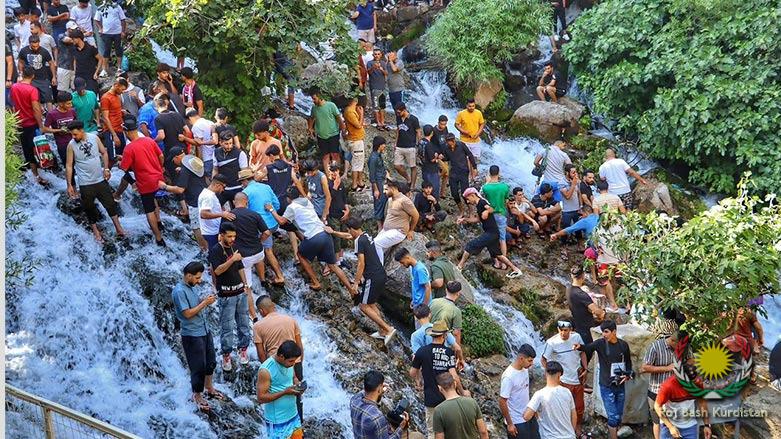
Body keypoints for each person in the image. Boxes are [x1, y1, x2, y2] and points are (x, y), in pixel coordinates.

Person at [266, 186, 354, 293]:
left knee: (300, 255)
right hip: (325, 233)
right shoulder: (307, 201)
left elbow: (281, 221)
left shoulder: (291, 207)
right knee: (333, 265)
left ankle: (316, 282)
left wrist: (271, 210)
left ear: (289, 198)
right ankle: (351, 289)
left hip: (313, 237)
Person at [328, 217, 397, 345]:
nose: (348, 232)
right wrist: (333, 232)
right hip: (380, 274)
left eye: (348, 230)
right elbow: (349, 236)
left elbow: (361, 263)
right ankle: (382, 331)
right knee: (371, 304)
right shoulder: (366, 235)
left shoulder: (359, 241)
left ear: (352, 229)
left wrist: (355, 283)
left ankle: (388, 329)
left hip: (372, 277)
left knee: (363, 306)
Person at [172, 261, 224, 412]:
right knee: (198, 366)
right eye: (197, 278)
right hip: (191, 334)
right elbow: (187, 314)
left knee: (211, 362)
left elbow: (195, 305)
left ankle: (209, 388)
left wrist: (204, 300)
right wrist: (205, 303)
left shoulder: (192, 286)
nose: (199, 280)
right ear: (188, 276)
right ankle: (197, 395)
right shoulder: (179, 291)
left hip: (204, 329)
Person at [65, 120, 126, 242]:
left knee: (110, 204)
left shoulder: (94, 138)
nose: (73, 137)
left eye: (75, 134)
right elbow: (69, 165)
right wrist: (69, 185)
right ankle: (96, 232)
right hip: (85, 183)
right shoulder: (71, 145)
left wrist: (106, 169)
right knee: (89, 208)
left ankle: (119, 228)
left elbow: (104, 152)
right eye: (72, 134)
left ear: (82, 130)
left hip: (100, 179)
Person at [208, 222, 257, 371]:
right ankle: (226, 355)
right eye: (229, 236)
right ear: (221, 235)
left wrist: (245, 285)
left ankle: (243, 350)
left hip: (240, 292)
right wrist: (232, 259)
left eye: (234, 236)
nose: (232, 239)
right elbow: (217, 271)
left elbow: (240, 267)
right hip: (226, 295)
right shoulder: (215, 250)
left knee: (244, 323)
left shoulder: (235, 248)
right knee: (227, 327)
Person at [409, 320, 468, 438]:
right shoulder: (448, 352)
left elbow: (412, 373)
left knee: (433, 432)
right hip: (447, 398)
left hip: (430, 399)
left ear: (432, 335)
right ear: (444, 335)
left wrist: (419, 380)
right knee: (450, 431)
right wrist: (462, 392)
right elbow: (454, 376)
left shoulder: (422, 351)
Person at [576, 320, 633, 439]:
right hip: (606, 386)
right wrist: (579, 347)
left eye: (606, 332)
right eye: (603, 332)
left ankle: (616, 433)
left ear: (614, 331)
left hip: (620, 384)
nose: (604, 334)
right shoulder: (600, 343)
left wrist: (628, 374)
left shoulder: (623, 345)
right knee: (613, 417)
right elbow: (587, 348)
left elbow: (628, 362)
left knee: (619, 415)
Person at [254, 296, 304, 422]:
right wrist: (297, 362)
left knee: (276, 396)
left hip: (275, 365)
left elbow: (261, 353)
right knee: (297, 395)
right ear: (274, 306)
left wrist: (267, 368)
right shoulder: (290, 320)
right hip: (295, 362)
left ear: (261, 311)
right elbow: (299, 345)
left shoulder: (258, 326)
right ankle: (298, 423)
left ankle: (282, 423)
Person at [456, 188, 523, 278]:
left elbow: (491, 208)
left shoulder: (482, 202)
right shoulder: (478, 205)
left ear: (472, 195)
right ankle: (516, 270)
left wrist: (487, 212)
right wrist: (464, 219)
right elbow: (477, 219)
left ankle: (459, 267)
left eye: (468, 199)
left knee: (470, 246)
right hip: (493, 233)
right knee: (498, 255)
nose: (468, 202)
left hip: (491, 233)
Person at [120, 116, 166, 246]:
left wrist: (121, 162)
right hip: (158, 178)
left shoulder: (129, 148)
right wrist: (160, 167)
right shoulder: (149, 140)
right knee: (154, 198)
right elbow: (161, 155)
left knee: (149, 210)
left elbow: (124, 169)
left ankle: (159, 238)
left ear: (126, 132)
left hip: (145, 183)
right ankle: (159, 222)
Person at [541, 321, 587, 437]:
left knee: (579, 406)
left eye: (565, 330)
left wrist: (586, 368)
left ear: (570, 330)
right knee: (564, 407)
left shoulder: (576, 337)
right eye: (560, 330)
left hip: (577, 377)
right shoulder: (552, 342)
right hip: (563, 380)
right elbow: (543, 359)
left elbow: (582, 353)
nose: (563, 333)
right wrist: (551, 376)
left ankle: (577, 427)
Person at [158, 151, 209, 250]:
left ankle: (204, 249)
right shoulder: (194, 164)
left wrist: (164, 186)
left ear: (177, 157)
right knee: (207, 224)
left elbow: (180, 189)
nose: (174, 163)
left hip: (195, 201)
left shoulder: (184, 170)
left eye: (173, 160)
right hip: (205, 196)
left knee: (197, 227)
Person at [257, 340, 304, 439]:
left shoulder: (289, 363)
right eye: (291, 361)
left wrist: (297, 384)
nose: (293, 363)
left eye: (294, 361)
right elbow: (261, 398)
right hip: (277, 421)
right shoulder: (266, 370)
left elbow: (293, 377)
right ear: (282, 356)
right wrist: (284, 392)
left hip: (293, 415)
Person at [641, 331, 684, 439]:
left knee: (673, 421)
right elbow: (644, 367)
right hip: (656, 391)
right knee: (657, 421)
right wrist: (667, 368)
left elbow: (689, 361)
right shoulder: (655, 346)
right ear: (673, 341)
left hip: (674, 393)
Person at [11, 67, 48, 185]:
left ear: (22, 74)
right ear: (33, 76)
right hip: (31, 123)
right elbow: (36, 109)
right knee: (37, 148)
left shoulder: (14, 87)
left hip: (20, 123)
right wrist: (41, 125)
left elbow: (13, 105)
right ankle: (39, 175)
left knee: (27, 149)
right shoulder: (32, 90)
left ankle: (34, 175)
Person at [522, 361, 577, 439]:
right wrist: (571, 433)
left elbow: (526, 416)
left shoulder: (539, 394)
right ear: (559, 375)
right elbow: (574, 415)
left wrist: (537, 413)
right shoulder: (567, 392)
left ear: (545, 374)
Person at [351, 370, 410, 439]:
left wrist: (379, 389)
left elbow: (364, 392)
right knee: (417, 436)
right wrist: (401, 427)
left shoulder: (354, 401)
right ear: (379, 389)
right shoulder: (377, 417)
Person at [231, 190, 272, 288]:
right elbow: (267, 232)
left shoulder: (229, 216)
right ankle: (263, 280)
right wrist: (260, 241)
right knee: (259, 260)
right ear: (247, 202)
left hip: (243, 256)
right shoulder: (255, 214)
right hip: (258, 252)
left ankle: (249, 295)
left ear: (234, 202)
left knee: (246, 285)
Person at [499, 344, 538, 439]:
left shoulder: (524, 369)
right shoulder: (508, 377)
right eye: (530, 361)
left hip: (528, 415)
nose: (532, 364)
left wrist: (532, 409)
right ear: (521, 359)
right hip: (516, 421)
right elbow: (502, 401)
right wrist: (510, 424)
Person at [433, 372, 489, 439]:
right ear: (455, 384)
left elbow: (439, 437)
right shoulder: (472, 402)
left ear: (439, 388)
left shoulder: (439, 410)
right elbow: (483, 431)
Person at [654, 374, 712, 439]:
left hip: (690, 426)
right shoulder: (668, 385)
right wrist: (670, 427)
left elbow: (702, 403)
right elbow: (657, 406)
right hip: (669, 426)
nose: (699, 381)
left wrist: (707, 425)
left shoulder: (698, 383)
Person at [567, 265, 606, 360]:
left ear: (571, 276)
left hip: (577, 326)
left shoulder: (568, 290)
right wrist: (602, 312)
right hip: (586, 329)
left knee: (580, 354)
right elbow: (597, 311)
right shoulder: (581, 294)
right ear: (583, 276)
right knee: (588, 354)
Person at [374, 180, 418, 261]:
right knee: (372, 247)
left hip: (398, 232)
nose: (384, 192)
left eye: (386, 189)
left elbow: (416, 215)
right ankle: (377, 265)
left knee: (376, 243)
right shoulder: (390, 200)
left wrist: (411, 230)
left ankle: (378, 267)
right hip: (387, 230)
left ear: (393, 188)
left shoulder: (404, 200)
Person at [308, 88, 345, 170]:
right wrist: (310, 128)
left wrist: (343, 129)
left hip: (333, 134)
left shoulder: (331, 105)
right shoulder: (314, 108)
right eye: (312, 99)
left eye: (314, 98)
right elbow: (311, 118)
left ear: (319, 96)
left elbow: (339, 118)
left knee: (335, 155)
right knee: (325, 156)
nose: (313, 101)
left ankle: (336, 172)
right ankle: (328, 175)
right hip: (321, 136)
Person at [441, 133, 477, 216]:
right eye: (447, 142)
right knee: (454, 193)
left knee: (465, 193)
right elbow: (447, 158)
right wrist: (442, 158)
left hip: (463, 171)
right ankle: (461, 210)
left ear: (453, 140)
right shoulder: (446, 148)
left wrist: (474, 167)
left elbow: (470, 155)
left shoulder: (461, 145)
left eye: (449, 141)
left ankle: (470, 210)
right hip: (453, 172)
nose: (448, 143)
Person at [17, 35, 56, 110]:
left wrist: (54, 77)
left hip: (43, 78)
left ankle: (50, 114)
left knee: (48, 99)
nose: (36, 48)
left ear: (39, 42)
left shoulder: (44, 51)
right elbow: (20, 62)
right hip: (30, 79)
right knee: (35, 99)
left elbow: (51, 63)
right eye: (33, 46)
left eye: (37, 46)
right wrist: (20, 74)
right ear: (29, 43)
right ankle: (40, 113)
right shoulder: (24, 51)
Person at [154, 93, 189, 173]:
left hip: (171, 151)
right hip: (183, 148)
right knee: (185, 170)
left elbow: (161, 136)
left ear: (157, 107)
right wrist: (184, 138)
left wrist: (154, 141)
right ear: (166, 105)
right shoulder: (177, 114)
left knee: (174, 173)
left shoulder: (158, 118)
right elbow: (187, 131)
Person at [482, 165, 512, 258]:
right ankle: (504, 260)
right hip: (501, 214)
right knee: (502, 238)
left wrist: (487, 182)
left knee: (490, 236)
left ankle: (494, 258)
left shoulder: (486, 187)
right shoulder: (505, 187)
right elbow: (506, 201)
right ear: (499, 173)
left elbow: (480, 198)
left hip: (490, 215)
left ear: (489, 174)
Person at [214, 130, 249, 206]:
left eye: (231, 143)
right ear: (220, 142)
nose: (229, 146)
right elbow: (215, 170)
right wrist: (214, 185)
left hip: (238, 188)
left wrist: (246, 188)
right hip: (223, 189)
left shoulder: (240, 153)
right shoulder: (215, 152)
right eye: (226, 144)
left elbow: (244, 173)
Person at [199, 174, 234, 249]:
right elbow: (203, 214)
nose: (223, 190)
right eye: (223, 187)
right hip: (211, 232)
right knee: (215, 253)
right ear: (218, 185)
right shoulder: (208, 196)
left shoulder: (209, 194)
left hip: (212, 230)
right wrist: (222, 214)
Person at [42, 91, 76, 167]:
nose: (71, 105)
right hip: (62, 144)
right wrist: (59, 130)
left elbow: (76, 123)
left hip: (74, 141)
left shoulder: (72, 111)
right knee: (68, 165)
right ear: (60, 104)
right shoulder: (52, 114)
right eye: (68, 104)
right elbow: (44, 129)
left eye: (71, 103)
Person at [325, 163, 350, 264]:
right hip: (332, 214)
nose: (334, 173)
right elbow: (329, 199)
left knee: (344, 237)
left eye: (336, 171)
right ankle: (337, 261)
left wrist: (347, 210)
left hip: (342, 214)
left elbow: (344, 197)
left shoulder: (341, 183)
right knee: (336, 238)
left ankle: (341, 258)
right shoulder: (327, 183)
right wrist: (335, 186)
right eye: (332, 171)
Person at [93, 0, 125, 75]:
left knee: (118, 50)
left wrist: (123, 31)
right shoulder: (101, 8)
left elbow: (123, 19)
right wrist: (100, 28)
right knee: (106, 50)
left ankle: (119, 68)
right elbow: (96, 20)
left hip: (117, 32)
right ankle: (104, 69)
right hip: (106, 33)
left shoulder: (117, 6)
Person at [99, 78, 127, 162]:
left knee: (123, 154)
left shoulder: (117, 95)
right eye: (122, 89)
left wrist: (122, 112)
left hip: (120, 129)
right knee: (114, 158)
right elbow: (105, 118)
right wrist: (114, 135)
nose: (123, 92)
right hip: (111, 131)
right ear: (116, 85)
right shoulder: (106, 98)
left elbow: (114, 110)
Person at [393, 103, 421, 187]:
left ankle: (412, 186)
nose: (397, 114)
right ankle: (408, 178)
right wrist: (395, 142)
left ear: (404, 110)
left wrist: (418, 144)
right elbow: (398, 130)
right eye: (397, 112)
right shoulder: (398, 117)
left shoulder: (413, 119)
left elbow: (418, 132)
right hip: (399, 145)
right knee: (397, 166)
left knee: (413, 166)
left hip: (410, 146)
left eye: (399, 112)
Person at [343, 95, 366, 190]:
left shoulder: (352, 110)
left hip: (357, 140)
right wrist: (362, 114)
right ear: (355, 101)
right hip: (355, 141)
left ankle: (360, 182)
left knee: (359, 162)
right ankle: (354, 185)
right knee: (356, 164)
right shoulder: (350, 112)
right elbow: (358, 125)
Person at [186, 107, 218, 176]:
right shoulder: (210, 122)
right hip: (215, 156)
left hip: (206, 158)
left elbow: (198, 144)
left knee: (208, 179)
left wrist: (185, 138)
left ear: (190, 118)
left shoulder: (195, 126)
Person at [368, 136, 389, 227]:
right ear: (379, 145)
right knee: (379, 202)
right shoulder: (373, 158)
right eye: (383, 144)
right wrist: (376, 189)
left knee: (384, 201)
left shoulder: (378, 155)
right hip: (378, 183)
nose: (385, 146)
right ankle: (379, 227)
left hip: (382, 181)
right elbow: (372, 175)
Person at [367, 49, 389, 130]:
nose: (377, 55)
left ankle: (382, 121)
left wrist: (381, 69)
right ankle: (378, 122)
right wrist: (373, 67)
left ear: (381, 55)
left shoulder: (383, 63)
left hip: (383, 87)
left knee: (382, 105)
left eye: (378, 54)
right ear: (373, 55)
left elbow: (386, 73)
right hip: (374, 87)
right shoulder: (369, 63)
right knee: (376, 105)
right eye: (375, 54)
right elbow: (368, 73)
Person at [420, 125, 443, 200]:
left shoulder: (421, 141)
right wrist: (437, 157)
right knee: (434, 188)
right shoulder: (429, 144)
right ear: (432, 133)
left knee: (426, 187)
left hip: (424, 167)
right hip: (431, 170)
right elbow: (432, 159)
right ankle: (434, 202)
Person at [431, 115, 450, 199]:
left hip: (444, 154)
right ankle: (434, 180)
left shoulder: (445, 129)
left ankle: (442, 193)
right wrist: (435, 154)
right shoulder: (434, 130)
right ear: (438, 123)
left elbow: (446, 140)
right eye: (442, 124)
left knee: (446, 174)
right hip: (437, 155)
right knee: (445, 170)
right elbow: (430, 143)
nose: (443, 126)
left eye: (445, 124)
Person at [560, 164, 581, 234]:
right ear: (567, 173)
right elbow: (567, 196)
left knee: (578, 231)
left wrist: (581, 206)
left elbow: (579, 193)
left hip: (577, 209)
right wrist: (573, 184)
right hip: (567, 211)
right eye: (573, 172)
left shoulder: (576, 180)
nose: (575, 174)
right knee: (565, 230)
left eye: (576, 172)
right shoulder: (561, 183)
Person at [386, 51, 406, 118]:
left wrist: (390, 61)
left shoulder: (399, 62)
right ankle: (399, 122)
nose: (389, 57)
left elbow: (394, 69)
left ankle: (405, 121)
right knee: (394, 108)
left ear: (395, 56)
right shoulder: (389, 63)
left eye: (391, 56)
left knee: (400, 108)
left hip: (398, 89)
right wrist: (388, 61)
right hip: (391, 89)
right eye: (389, 56)